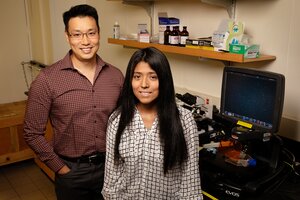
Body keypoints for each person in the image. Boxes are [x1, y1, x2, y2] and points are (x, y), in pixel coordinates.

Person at [23, 4, 124, 200]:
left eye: (91, 33)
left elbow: (124, 124)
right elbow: (32, 132)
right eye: (77, 34)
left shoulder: (116, 76)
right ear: (67, 37)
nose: (85, 41)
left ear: (99, 34)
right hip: (72, 173)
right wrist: (60, 169)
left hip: (111, 170)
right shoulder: (47, 79)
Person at [102, 47, 203, 199]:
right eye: (137, 77)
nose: (144, 84)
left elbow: (190, 181)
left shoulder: (184, 120)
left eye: (153, 77)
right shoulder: (117, 119)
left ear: (164, 80)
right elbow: (112, 177)